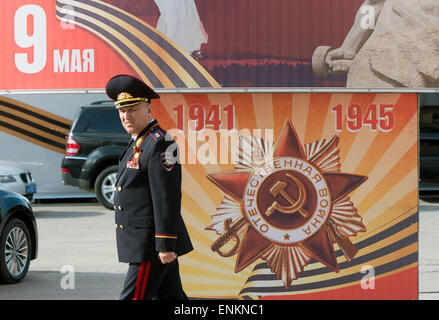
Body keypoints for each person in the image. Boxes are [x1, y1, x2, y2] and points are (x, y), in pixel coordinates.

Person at [106, 74, 193, 300]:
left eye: (132, 109)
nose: (126, 116)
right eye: (122, 110)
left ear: (149, 110)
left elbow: (167, 197)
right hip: (143, 243)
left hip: (150, 247)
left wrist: (165, 244)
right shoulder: (140, 141)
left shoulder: (161, 143)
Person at [313, 0, 439, 87]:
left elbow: (373, 5)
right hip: (394, 53)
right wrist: (349, 49)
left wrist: (350, 49)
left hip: (398, 49)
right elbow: (373, 6)